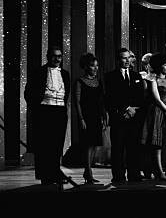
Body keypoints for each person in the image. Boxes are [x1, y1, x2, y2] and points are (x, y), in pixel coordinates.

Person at [24, 46, 71, 185]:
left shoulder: (65, 74)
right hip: (44, 111)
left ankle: (55, 173)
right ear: (48, 57)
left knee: (57, 145)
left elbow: (66, 93)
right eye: (54, 56)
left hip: (60, 112)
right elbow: (28, 92)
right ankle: (45, 176)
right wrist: (36, 109)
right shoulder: (39, 72)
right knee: (44, 145)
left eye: (59, 56)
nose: (57, 59)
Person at [105, 48, 145, 183]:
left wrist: (133, 109)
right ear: (118, 60)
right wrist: (126, 108)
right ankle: (118, 176)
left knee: (133, 148)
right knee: (118, 149)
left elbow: (141, 96)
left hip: (134, 118)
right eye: (124, 58)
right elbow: (110, 97)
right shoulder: (110, 76)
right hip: (119, 118)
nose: (127, 60)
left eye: (129, 58)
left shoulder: (136, 76)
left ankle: (134, 174)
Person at [74, 53, 107, 184]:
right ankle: (88, 172)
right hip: (86, 117)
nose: (96, 68)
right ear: (86, 66)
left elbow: (101, 102)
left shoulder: (98, 82)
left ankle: (88, 171)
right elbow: (77, 102)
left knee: (94, 145)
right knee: (88, 145)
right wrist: (81, 119)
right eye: (93, 66)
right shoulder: (80, 81)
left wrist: (104, 117)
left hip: (96, 116)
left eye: (97, 66)